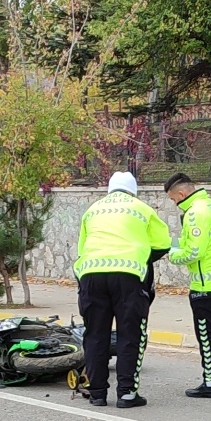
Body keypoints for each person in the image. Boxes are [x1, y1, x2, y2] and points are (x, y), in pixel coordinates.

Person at [74, 172, 172, 408]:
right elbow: (162, 244)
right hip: (128, 276)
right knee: (130, 334)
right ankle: (127, 393)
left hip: (91, 275)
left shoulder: (93, 210)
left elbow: (82, 248)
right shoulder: (142, 208)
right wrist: (143, 258)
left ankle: (97, 393)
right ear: (133, 190)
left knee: (95, 334)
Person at [164, 173, 211, 399]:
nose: (174, 204)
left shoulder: (195, 213)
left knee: (205, 335)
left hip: (204, 283)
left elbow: (194, 251)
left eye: (173, 199)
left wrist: (172, 254)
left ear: (182, 194)